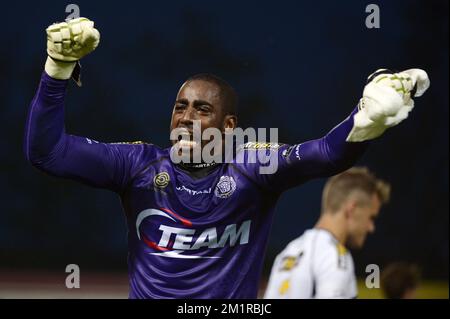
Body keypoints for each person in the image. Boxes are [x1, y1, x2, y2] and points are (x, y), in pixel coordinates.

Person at [24, 17, 429, 298]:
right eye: (180, 106)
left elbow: (325, 153)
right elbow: (47, 152)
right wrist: (57, 70)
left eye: (202, 110)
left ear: (229, 125)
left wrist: (365, 120)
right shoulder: (138, 166)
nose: (185, 117)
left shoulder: (252, 169)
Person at [264, 167, 390, 299]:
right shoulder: (336, 257)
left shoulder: (288, 252)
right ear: (352, 209)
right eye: (371, 217)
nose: (371, 227)